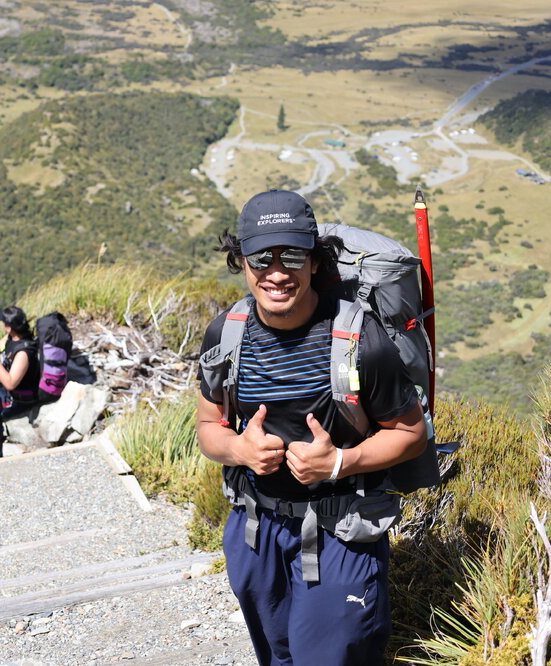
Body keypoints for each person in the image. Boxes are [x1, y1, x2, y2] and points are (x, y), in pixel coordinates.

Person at [196, 189, 427, 665]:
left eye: (293, 255)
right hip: (256, 532)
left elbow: (410, 432)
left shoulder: (361, 341)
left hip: (340, 534)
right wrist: (240, 451)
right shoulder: (227, 332)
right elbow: (207, 426)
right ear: (241, 261)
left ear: (315, 262)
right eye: (261, 256)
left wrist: (340, 462)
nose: (276, 272)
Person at [0, 305, 40, 419]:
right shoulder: (12, 337)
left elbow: (10, 384)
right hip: (9, 390)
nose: (1, 324)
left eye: (3, 322)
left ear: (9, 327)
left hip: (21, 400)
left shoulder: (23, 353)